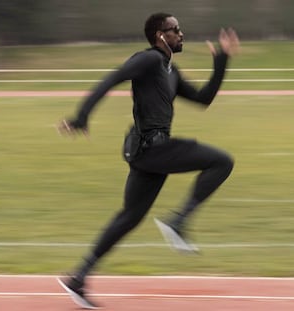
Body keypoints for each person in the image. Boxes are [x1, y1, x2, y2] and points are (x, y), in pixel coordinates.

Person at [57, 12, 239, 309]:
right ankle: (178, 221)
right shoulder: (150, 60)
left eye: (179, 29)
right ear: (159, 35)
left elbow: (204, 99)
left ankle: (78, 277)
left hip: (149, 152)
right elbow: (112, 78)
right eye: (174, 29)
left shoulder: (171, 71)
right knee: (221, 162)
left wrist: (221, 61)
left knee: (129, 217)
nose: (181, 34)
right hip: (150, 149)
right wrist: (82, 116)